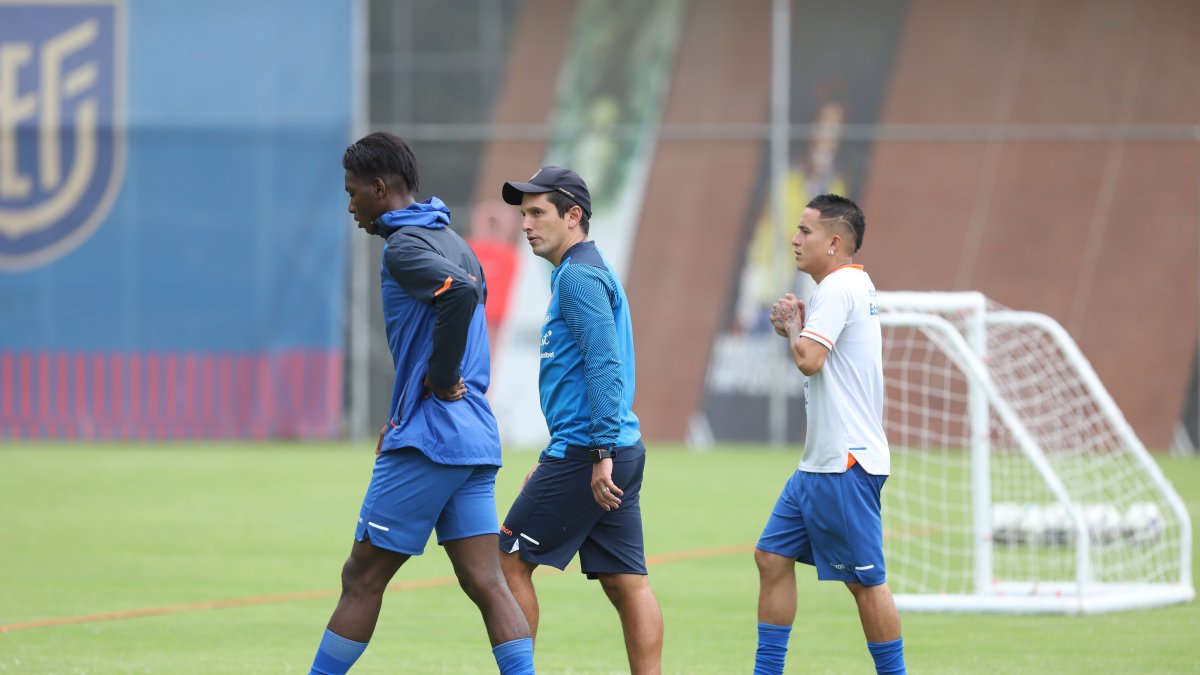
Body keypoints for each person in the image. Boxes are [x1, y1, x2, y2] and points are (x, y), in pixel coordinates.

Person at [307, 132, 534, 675]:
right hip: (474, 435)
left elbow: (456, 296)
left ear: (380, 188)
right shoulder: (453, 240)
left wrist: (439, 376)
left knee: (362, 576)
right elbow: (452, 305)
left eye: (353, 191)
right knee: (486, 582)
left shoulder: (405, 246)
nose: (350, 204)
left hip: (431, 439)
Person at [496, 166, 664, 674]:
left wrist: (597, 455)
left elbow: (604, 362)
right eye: (523, 214)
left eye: (537, 212)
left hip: (594, 451)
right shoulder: (582, 271)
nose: (526, 223)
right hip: (609, 448)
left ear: (574, 217)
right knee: (626, 580)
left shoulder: (577, 275)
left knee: (507, 562)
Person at [754, 194, 906, 675]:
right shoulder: (845, 287)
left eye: (805, 231)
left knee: (865, 584)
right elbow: (816, 358)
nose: (795, 239)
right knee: (771, 556)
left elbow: (810, 360)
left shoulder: (840, 287)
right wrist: (795, 329)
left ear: (834, 242)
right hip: (819, 463)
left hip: (845, 462)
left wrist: (794, 326)